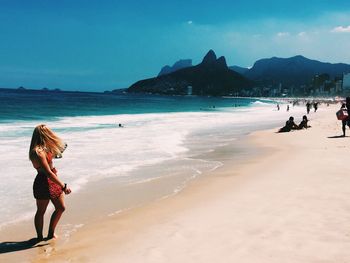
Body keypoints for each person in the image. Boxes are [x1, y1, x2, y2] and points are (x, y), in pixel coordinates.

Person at [29, 124, 71, 241]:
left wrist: (55, 145)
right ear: (44, 134)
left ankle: (51, 233)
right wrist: (63, 185)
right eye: (49, 133)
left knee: (61, 207)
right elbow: (48, 172)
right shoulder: (38, 152)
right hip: (43, 181)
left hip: (52, 180)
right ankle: (39, 237)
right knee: (41, 211)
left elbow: (62, 148)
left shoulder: (45, 149)